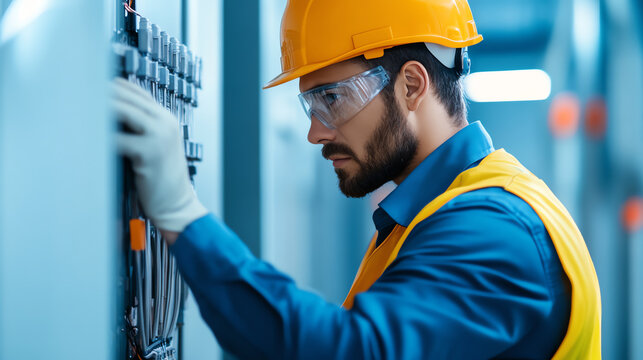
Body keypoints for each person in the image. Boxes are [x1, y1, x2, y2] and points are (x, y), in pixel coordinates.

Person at [111, 0, 601, 358]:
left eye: (332, 98)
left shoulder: (494, 228)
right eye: (309, 104)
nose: (314, 132)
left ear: (411, 85)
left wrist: (183, 215)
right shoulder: (432, 215)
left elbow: (354, 352)